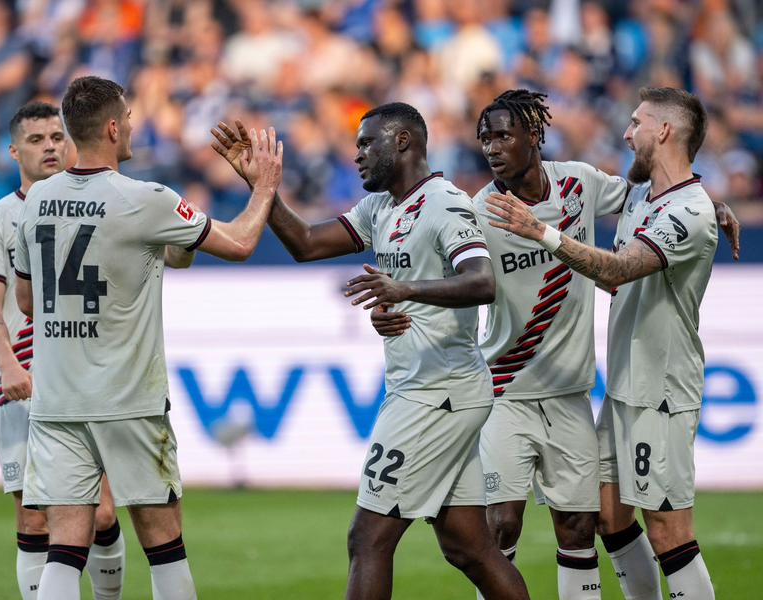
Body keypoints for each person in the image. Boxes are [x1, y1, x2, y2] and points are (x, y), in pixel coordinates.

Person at [371, 90, 739, 600]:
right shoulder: (483, 211)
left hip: (607, 392)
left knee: (608, 526)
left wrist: (707, 205)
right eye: (484, 138)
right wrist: (400, 305)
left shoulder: (581, 184)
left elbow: (650, 230)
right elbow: (445, 272)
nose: (491, 147)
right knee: (524, 523)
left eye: (503, 135)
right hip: (514, 387)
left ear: (533, 136)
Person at [210, 103, 529, 600]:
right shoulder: (380, 207)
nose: (356, 154)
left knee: (367, 538)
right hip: (426, 388)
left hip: (437, 393)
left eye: (366, 143)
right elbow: (307, 243)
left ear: (403, 141)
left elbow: (482, 282)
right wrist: (263, 187)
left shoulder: (445, 204)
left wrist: (404, 289)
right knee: (469, 548)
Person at [12, 76, 282, 600]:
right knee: (164, 547)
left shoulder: (39, 198)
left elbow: (25, 300)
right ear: (113, 128)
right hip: (128, 400)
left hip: (57, 400)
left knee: (64, 549)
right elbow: (241, 242)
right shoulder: (145, 198)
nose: (134, 126)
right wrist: (265, 184)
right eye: (130, 118)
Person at [487, 87, 719, 599]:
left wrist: (541, 232)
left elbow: (617, 268)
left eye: (636, 123)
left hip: (661, 390)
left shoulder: (690, 212)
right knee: (608, 515)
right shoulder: (641, 197)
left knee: (668, 529)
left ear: (664, 131)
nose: (626, 133)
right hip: (622, 388)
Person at [0, 101, 125, 600]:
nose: (50, 147)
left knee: (102, 512)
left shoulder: (97, 203)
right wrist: (8, 366)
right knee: (33, 519)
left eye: (57, 137)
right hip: (25, 380)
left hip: (86, 378)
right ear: (14, 151)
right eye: (36, 140)